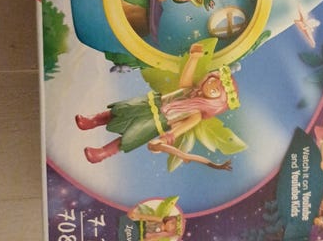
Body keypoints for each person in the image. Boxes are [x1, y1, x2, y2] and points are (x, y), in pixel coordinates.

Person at [75, 44, 240, 169]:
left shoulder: (196, 115)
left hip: (156, 122)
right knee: (122, 109)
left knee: (131, 135)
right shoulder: (190, 90)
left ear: (216, 103)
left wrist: (165, 139)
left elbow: (179, 130)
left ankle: (102, 153)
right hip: (151, 102)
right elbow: (185, 79)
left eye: (216, 91)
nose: (211, 87)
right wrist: (194, 58)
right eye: (213, 81)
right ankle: (93, 121)